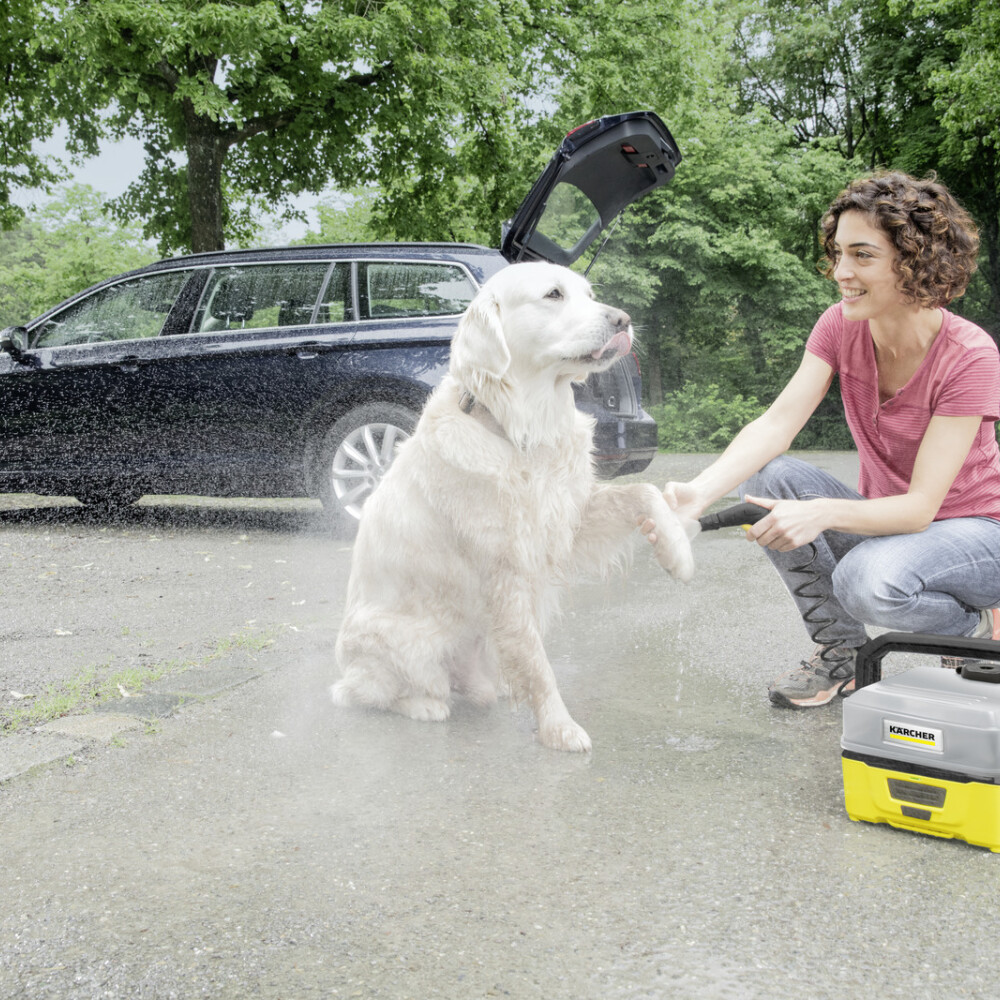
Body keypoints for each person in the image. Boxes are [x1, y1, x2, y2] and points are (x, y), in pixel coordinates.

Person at [647, 170, 1000, 708]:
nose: (841, 272)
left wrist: (822, 515)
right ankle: (844, 655)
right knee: (776, 477)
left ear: (915, 259)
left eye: (862, 256)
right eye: (838, 254)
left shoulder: (970, 356)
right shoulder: (839, 326)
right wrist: (700, 492)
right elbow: (776, 424)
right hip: (898, 525)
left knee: (864, 580)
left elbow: (922, 510)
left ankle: (969, 627)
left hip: (977, 536)